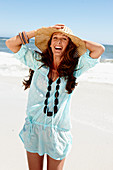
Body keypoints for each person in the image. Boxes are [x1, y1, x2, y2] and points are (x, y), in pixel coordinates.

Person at [5, 24, 105, 170]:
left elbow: (99, 49)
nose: (58, 42)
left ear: (69, 45)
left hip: (57, 133)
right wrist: (39, 32)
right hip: (34, 129)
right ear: (50, 43)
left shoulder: (75, 68)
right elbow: (11, 43)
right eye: (55, 38)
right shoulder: (37, 62)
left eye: (64, 39)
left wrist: (76, 40)